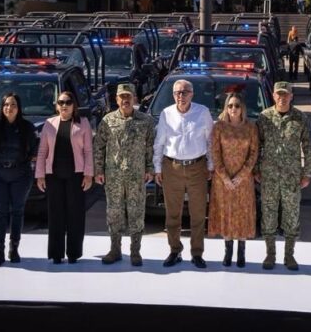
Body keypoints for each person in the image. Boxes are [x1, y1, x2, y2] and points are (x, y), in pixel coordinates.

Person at [153, 79, 214, 268]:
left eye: (185, 92)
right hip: (172, 168)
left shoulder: (202, 112)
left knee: (197, 214)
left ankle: (197, 253)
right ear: (173, 95)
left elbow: (210, 141)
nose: (181, 96)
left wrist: (211, 166)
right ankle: (174, 251)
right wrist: (157, 168)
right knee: (173, 214)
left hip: (197, 167)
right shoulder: (166, 114)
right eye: (177, 92)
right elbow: (159, 143)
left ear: (192, 94)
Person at [94, 83, 156, 267]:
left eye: (128, 96)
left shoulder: (145, 121)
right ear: (116, 99)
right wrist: (98, 170)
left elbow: (150, 147)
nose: (125, 100)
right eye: (122, 96)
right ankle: (115, 249)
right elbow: (99, 147)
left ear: (135, 98)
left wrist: (150, 168)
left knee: (136, 212)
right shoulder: (108, 120)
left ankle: (135, 251)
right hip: (113, 176)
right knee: (114, 213)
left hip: (136, 176)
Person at [256, 81, 311, 270]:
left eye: (285, 94)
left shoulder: (300, 118)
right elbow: (257, 146)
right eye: (279, 94)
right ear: (273, 96)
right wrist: (256, 170)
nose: (282, 98)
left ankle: (289, 256)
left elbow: (308, 147)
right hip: (269, 177)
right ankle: (270, 255)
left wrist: (307, 173)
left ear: (291, 96)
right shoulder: (264, 118)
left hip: (291, 177)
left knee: (291, 216)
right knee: (269, 216)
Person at [36, 91, 94, 264]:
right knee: (56, 214)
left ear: (73, 105)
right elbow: (42, 151)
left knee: (75, 214)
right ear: (56, 105)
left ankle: (74, 253)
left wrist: (89, 174)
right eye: (61, 102)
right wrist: (40, 175)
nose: (64, 105)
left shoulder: (82, 123)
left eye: (68, 102)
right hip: (53, 175)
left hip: (76, 175)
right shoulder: (49, 124)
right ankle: (56, 253)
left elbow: (88, 151)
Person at [0, 92, 38, 267]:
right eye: (6, 104)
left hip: (20, 175)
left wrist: (24, 161)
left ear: (19, 108)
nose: (9, 108)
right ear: (2, 107)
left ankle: (14, 248)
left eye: (13, 105)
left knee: (17, 212)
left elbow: (35, 149)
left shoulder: (28, 127)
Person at [208, 92, 259, 268]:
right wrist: (224, 177)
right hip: (223, 180)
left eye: (237, 105)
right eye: (230, 106)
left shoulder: (251, 128)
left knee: (242, 213)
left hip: (244, 180)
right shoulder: (219, 127)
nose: (233, 109)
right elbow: (215, 154)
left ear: (242, 107)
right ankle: (228, 251)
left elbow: (254, 154)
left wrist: (241, 176)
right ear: (226, 108)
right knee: (227, 213)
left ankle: (241, 253)